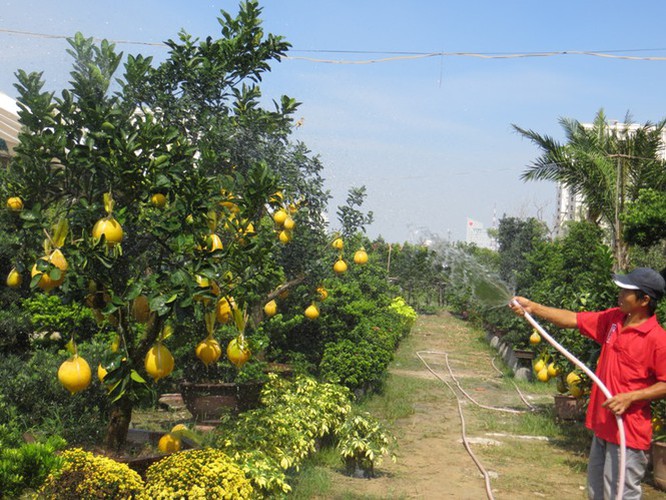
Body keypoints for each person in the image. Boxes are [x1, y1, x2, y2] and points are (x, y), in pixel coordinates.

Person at [510, 267, 666, 500]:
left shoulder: (658, 339)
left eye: (627, 291)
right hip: (603, 426)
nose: (620, 294)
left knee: (621, 494)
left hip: (628, 431)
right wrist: (533, 308)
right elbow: (573, 319)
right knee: (596, 493)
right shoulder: (614, 319)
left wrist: (631, 397)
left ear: (644, 300)